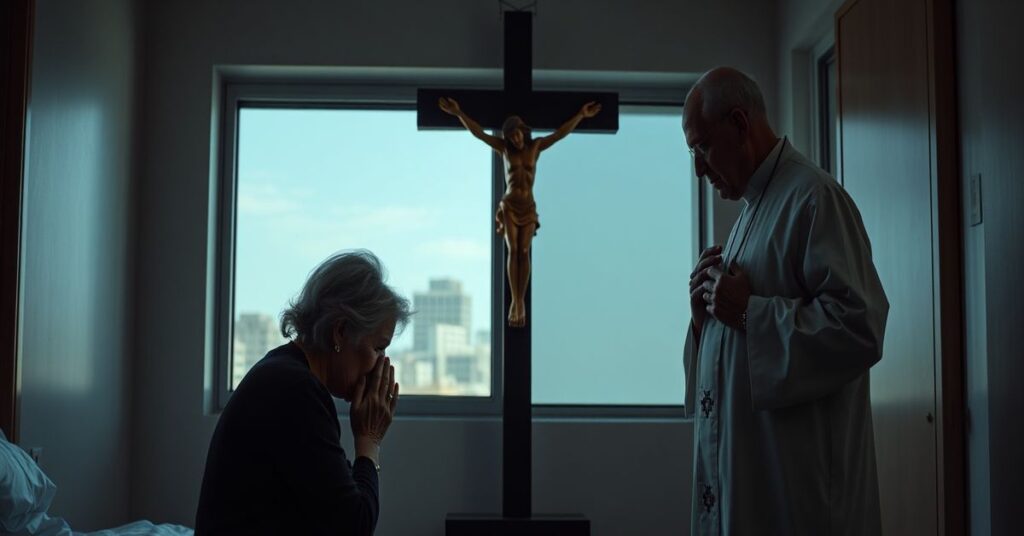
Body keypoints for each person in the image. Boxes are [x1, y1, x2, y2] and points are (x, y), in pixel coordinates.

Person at [681, 67, 889, 535]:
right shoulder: (750, 214)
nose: (698, 168)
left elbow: (861, 327)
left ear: (739, 124)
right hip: (751, 483)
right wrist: (704, 321)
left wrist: (750, 314)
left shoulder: (814, 199)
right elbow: (735, 334)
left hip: (799, 494)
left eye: (702, 148)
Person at [195, 250, 411, 536]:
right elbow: (354, 525)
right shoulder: (296, 391)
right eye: (378, 348)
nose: (382, 365)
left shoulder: (286, 372)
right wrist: (369, 440)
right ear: (341, 332)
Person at [438, 97, 601, 327]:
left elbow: (560, 134)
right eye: (510, 136)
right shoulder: (504, 150)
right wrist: (459, 113)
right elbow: (479, 134)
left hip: (529, 207)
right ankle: (516, 302)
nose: (514, 139)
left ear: (523, 132)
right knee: (513, 250)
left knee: (524, 250)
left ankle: (520, 300)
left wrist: (581, 115)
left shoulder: (536, 147)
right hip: (510, 206)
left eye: (517, 134)